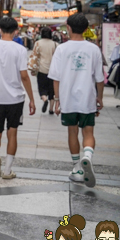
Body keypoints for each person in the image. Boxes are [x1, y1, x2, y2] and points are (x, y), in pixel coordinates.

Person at [48, 13, 104, 187]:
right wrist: (99, 98)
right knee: (88, 132)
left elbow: (55, 78)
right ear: (87, 30)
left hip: (68, 99)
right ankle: (87, 157)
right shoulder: (94, 49)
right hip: (87, 98)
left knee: (72, 132)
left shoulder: (61, 49)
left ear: (68, 28)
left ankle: (78, 168)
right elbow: (100, 78)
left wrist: (57, 100)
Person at [0, 16, 36, 180]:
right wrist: (32, 99)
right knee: (13, 133)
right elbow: (24, 76)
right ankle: (7, 171)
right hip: (15, 99)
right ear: (16, 31)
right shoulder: (20, 49)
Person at [33, 27, 58, 115]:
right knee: (52, 90)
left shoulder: (38, 43)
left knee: (42, 88)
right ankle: (51, 109)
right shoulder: (55, 44)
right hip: (53, 70)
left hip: (41, 69)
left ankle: (44, 99)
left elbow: (35, 56)